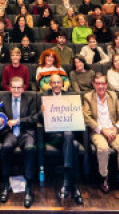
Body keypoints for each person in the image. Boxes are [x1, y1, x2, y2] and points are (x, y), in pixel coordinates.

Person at [83, 73, 119, 195]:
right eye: (98, 83)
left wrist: (116, 128)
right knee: (103, 148)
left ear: (106, 85)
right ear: (94, 84)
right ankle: (104, 178)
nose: (100, 86)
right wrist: (102, 130)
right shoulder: (88, 97)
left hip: (113, 129)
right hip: (98, 131)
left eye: (103, 83)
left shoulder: (113, 95)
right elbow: (86, 117)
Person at [0, 77, 39, 208]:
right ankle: (6, 183)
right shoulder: (4, 99)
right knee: (6, 147)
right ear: (10, 88)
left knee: (30, 148)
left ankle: (28, 187)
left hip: (26, 132)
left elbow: (34, 117)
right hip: (10, 133)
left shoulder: (30, 99)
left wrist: (18, 121)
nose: (16, 90)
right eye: (13, 87)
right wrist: (1, 120)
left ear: (23, 88)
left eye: (18, 87)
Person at [42, 74, 83, 204]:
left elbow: (76, 118)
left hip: (67, 132)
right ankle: (74, 186)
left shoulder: (70, 96)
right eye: (53, 83)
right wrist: (42, 112)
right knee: (73, 144)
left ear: (62, 83)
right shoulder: (45, 97)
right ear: (50, 84)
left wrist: (79, 112)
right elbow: (37, 118)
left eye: (58, 82)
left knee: (69, 136)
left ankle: (67, 183)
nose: (56, 85)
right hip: (53, 135)